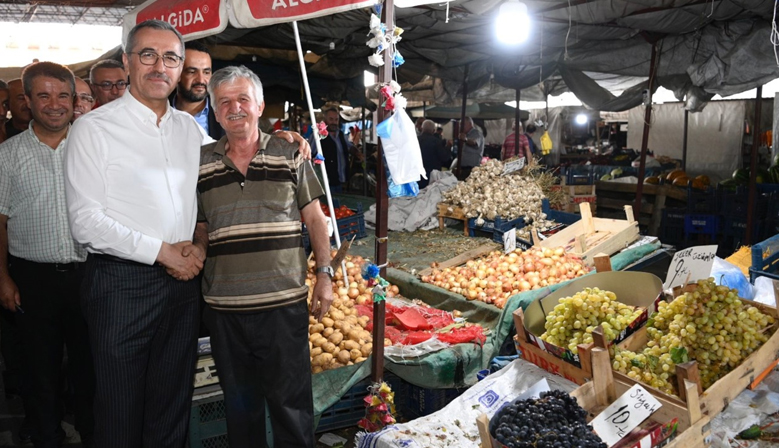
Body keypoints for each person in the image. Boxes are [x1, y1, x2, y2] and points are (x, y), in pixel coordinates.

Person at [65, 20, 208, 448]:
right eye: (147, 54)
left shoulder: (189, 130)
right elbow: (85, 222)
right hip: (121, 288)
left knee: (172, 406)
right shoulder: (94, 129)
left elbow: (226, 169)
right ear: (127, 62)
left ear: (181, 68)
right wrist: (164, 252)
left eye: (170, 58)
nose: (158, 66)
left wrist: (284, 141)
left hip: (183, 286)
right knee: (120, 410)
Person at [196, 65, 332, 448]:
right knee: (241, 410)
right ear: (215, 110)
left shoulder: (290, 154)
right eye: (224, 102)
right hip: (224, 310)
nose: (234, 108)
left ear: (259, 105)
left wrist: (324, 275)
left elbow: (316, 220)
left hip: (282, 307)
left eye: (243, 99)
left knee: (292, 408)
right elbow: (201, 227)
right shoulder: (200, 163)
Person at [0, 61, 95, 448]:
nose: (54, 104)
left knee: (92, 367)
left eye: (62, 95)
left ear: (74, 100)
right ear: (27, 100)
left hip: (89, 274)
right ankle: (47, 436)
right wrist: (2, 277)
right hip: (31, 278)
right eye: (43, 95)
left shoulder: (93, 145)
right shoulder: (8, 155)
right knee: (40, 369)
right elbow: (0, 220)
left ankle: (94, 436)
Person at [170, 41, 224, 140]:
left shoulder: (224, 114)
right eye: (192, 72)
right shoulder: (157, 111)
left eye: (206, 72)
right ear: (177, 75)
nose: (200, 80)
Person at [313, 107, 363, 192]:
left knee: (339, 204)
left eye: (336, 120)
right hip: (325, 181)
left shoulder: (341, 135)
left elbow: (349, 147)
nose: (334, 122)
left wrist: (358, 153)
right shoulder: (317, 135)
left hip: (340, 180)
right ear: (325, 120)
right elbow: (310, 153)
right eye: (331, 119)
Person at [417, 119, 451, 189]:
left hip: (416, 174)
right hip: (432, 176)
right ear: (433, 131)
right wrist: (448, 147)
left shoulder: (415, 140)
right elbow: (445, 157)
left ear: (422, 128)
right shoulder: (437, 142)